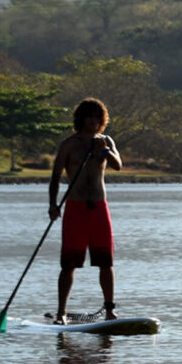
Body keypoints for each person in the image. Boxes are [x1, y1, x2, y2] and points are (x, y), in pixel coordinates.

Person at [49, 97, 124, 323]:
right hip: (75, 208)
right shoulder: (69, 145)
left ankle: (109, 310)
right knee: (69, 264)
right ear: (80, 119)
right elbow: (55, 177)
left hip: (99, 208)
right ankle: (62, 312)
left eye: (97, 117)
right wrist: (53, 205)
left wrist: (105, 151)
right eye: (89, 117)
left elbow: (118, 166)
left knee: (105, 262)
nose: (93, 121)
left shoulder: (106, 141)